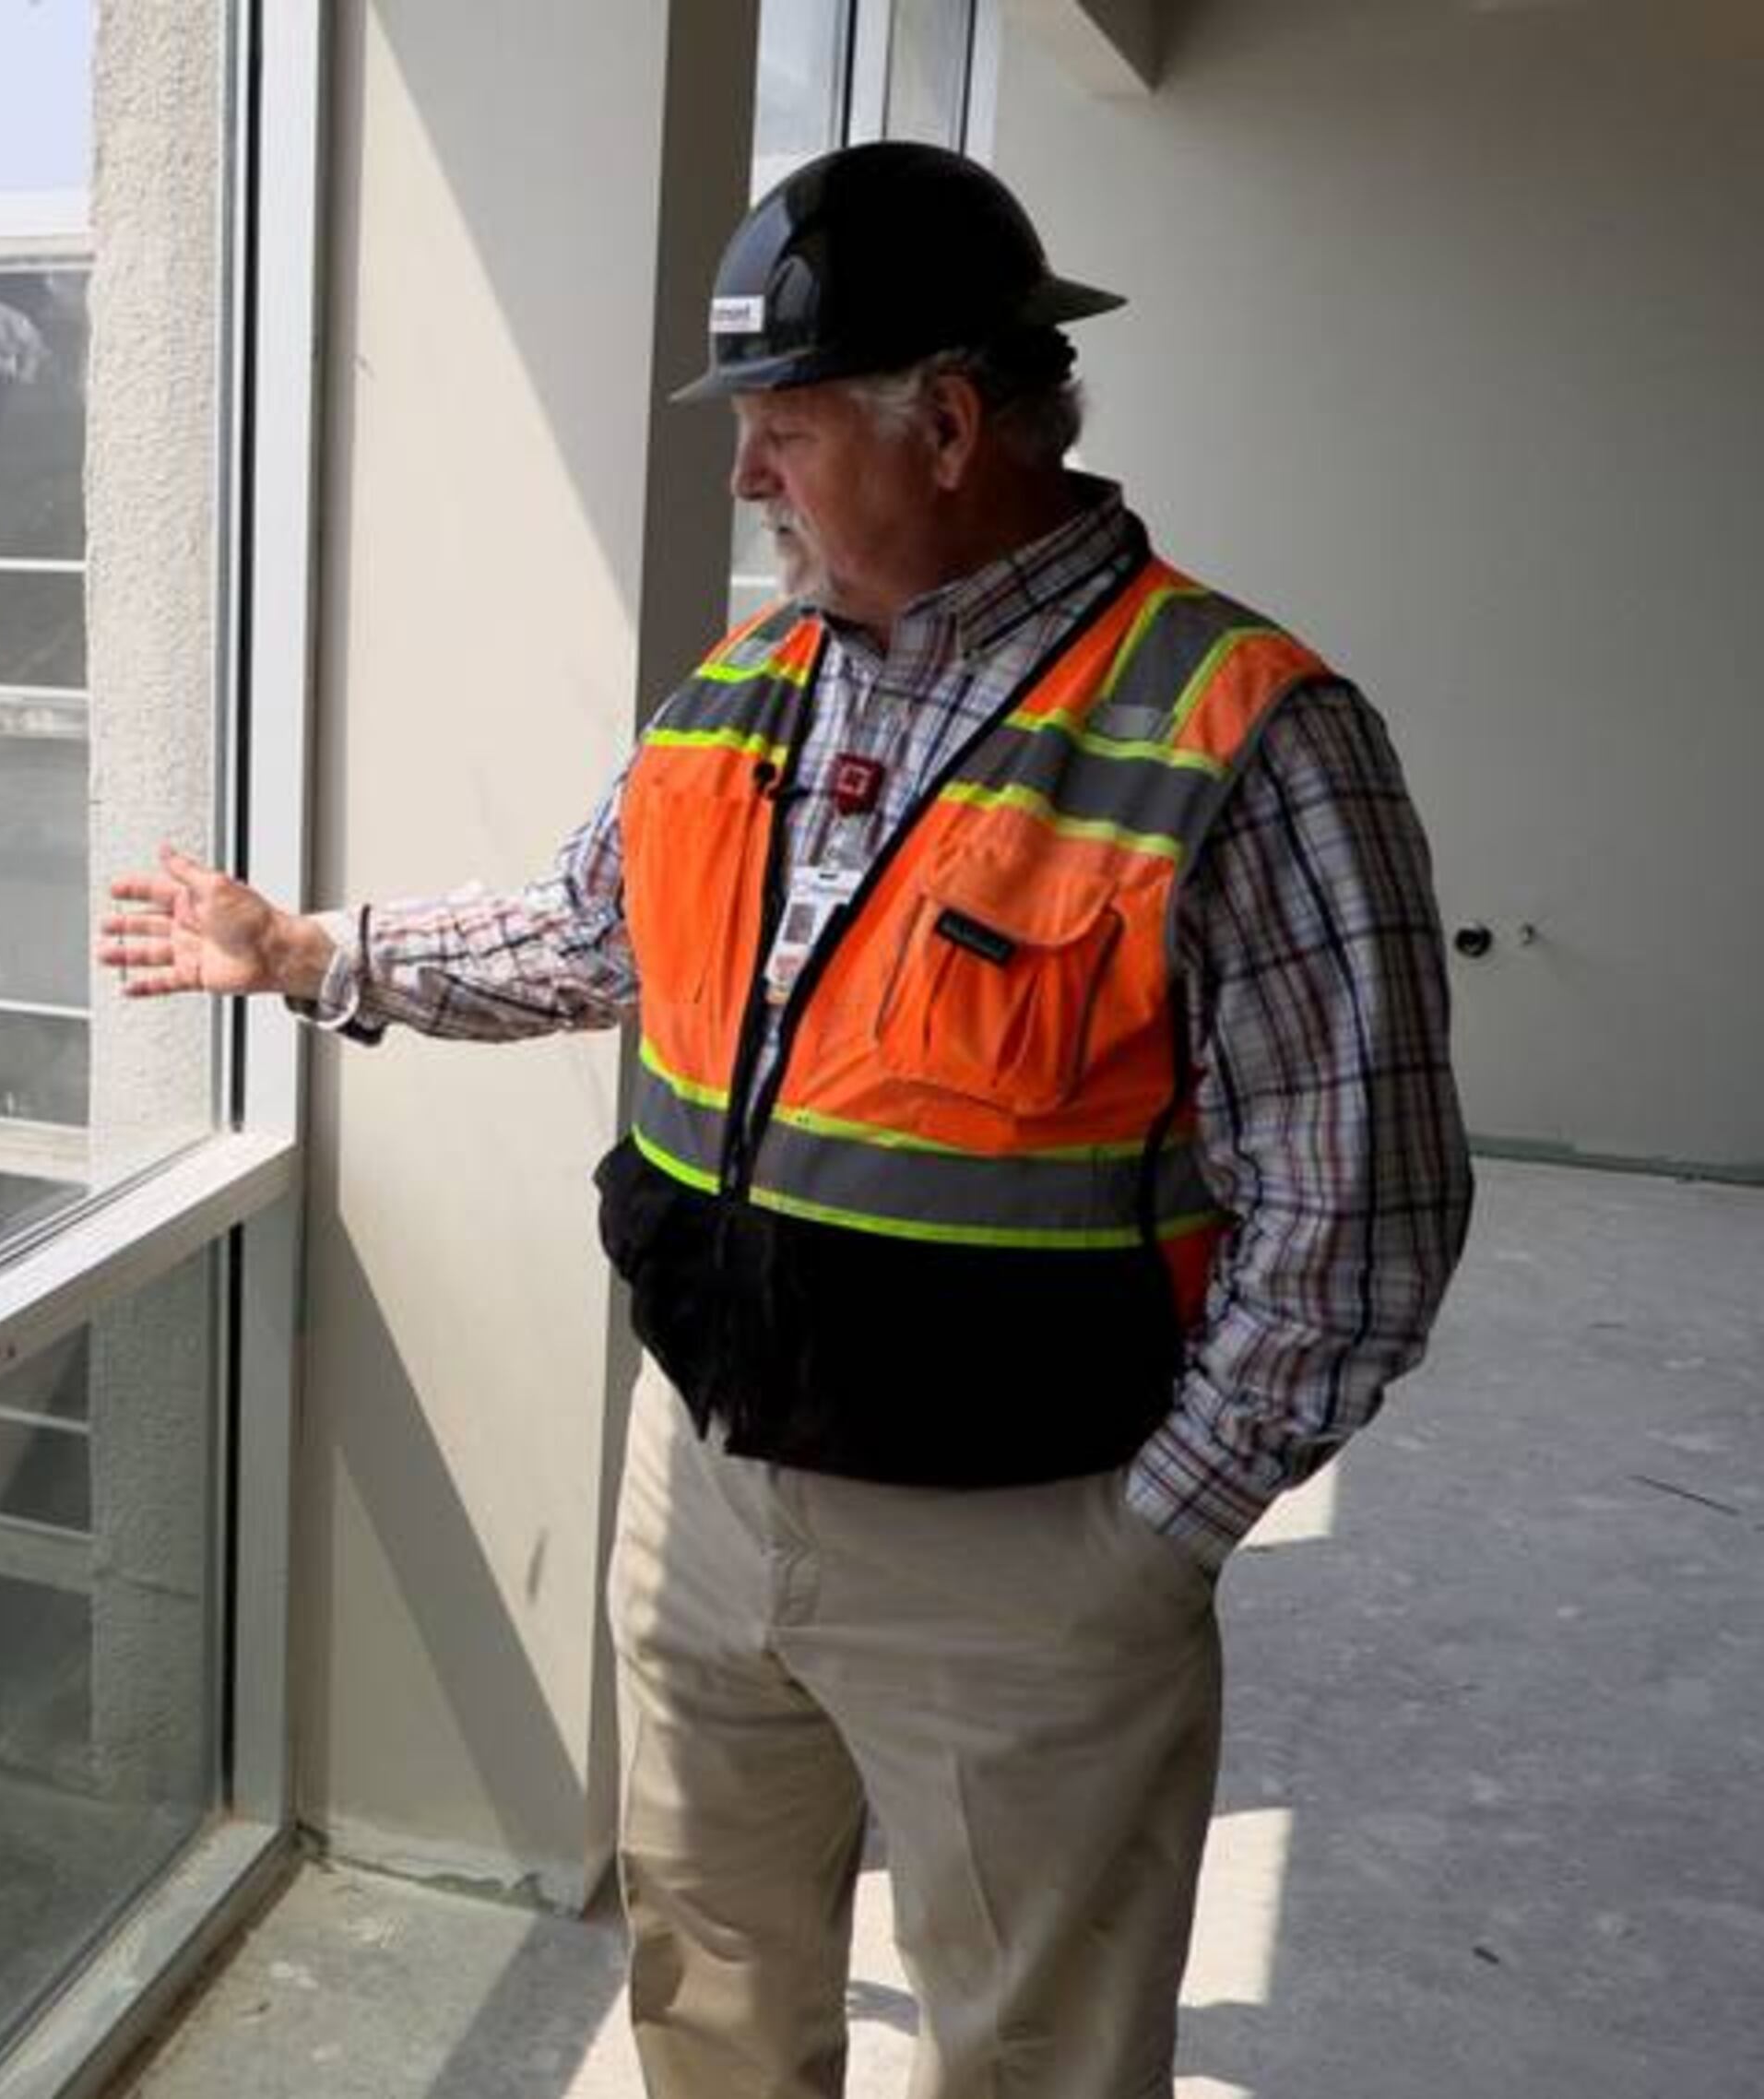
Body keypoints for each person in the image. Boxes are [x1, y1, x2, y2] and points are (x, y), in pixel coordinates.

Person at [95, 142, 1473, 2099]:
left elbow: (1361, 1225)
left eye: (784, 426)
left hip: (1026, 1542)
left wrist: (1143, 1545)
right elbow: (590, 934)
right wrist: (313, 948)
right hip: (713, 1495)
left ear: (952, 424)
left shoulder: (1245, 732)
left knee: (1034, 2048)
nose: (744, 477)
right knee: (711, 1987)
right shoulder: (747, 688)